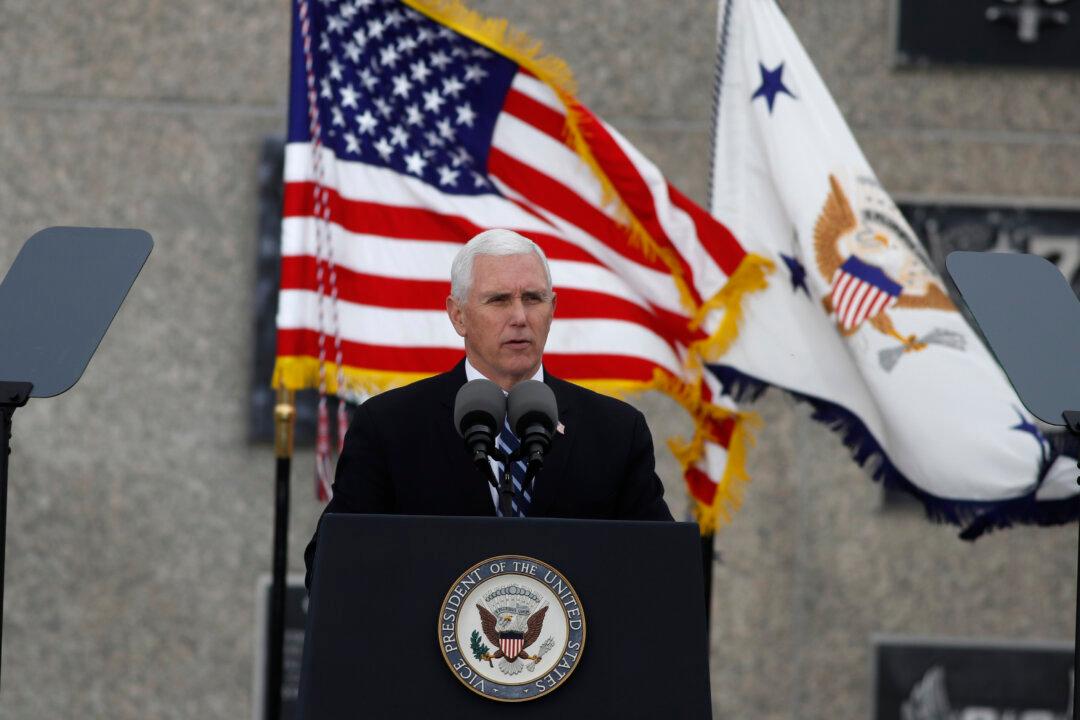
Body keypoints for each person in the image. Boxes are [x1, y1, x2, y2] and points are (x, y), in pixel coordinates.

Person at [304, 228, 672, 586]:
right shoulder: (389, 427)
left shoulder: (615, 432)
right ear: (458, 315)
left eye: (533, 298)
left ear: (552, 309)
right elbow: (332, 566)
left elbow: (662, 568)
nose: (520, 317)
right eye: (498, 300)